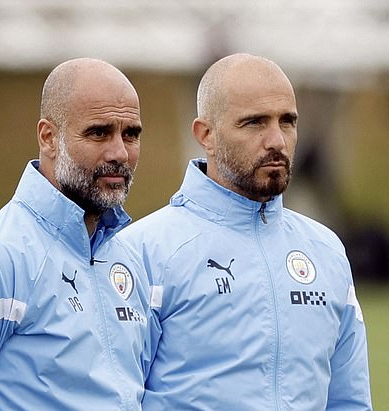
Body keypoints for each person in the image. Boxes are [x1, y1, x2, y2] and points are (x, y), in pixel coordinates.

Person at [120, 53, 372, 410]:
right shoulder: (140, 252)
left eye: (287, 122)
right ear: (205, 134)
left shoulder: (325, 250)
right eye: (254, 123)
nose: (277, 141)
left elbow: (350, 401)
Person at [0, 58, 153, 410]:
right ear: (48, 138)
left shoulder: (129, 260)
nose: (119, 152)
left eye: (130, 134)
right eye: (99, 132)